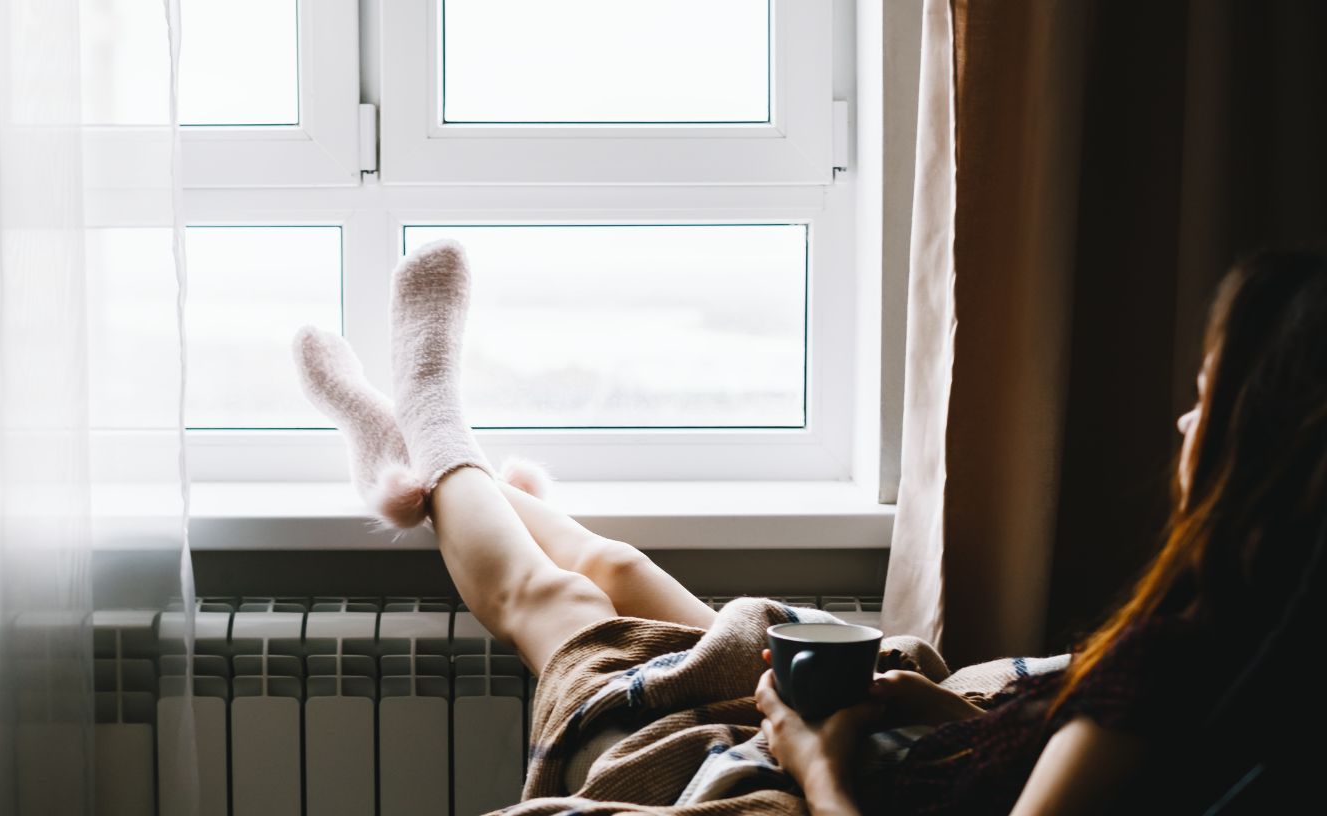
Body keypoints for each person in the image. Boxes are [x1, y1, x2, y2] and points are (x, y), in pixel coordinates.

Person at [294, 242, 1326, 815]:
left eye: (1204, 399)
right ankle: (414, 456)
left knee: (562, 604)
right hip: (901, 761)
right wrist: (942, 709)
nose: (1184, 423)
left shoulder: (1163, 676)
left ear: (1260, 445)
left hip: (824, 793)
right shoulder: (1250, 640)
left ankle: (426, 421)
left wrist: (812, 758)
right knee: (622, 567)